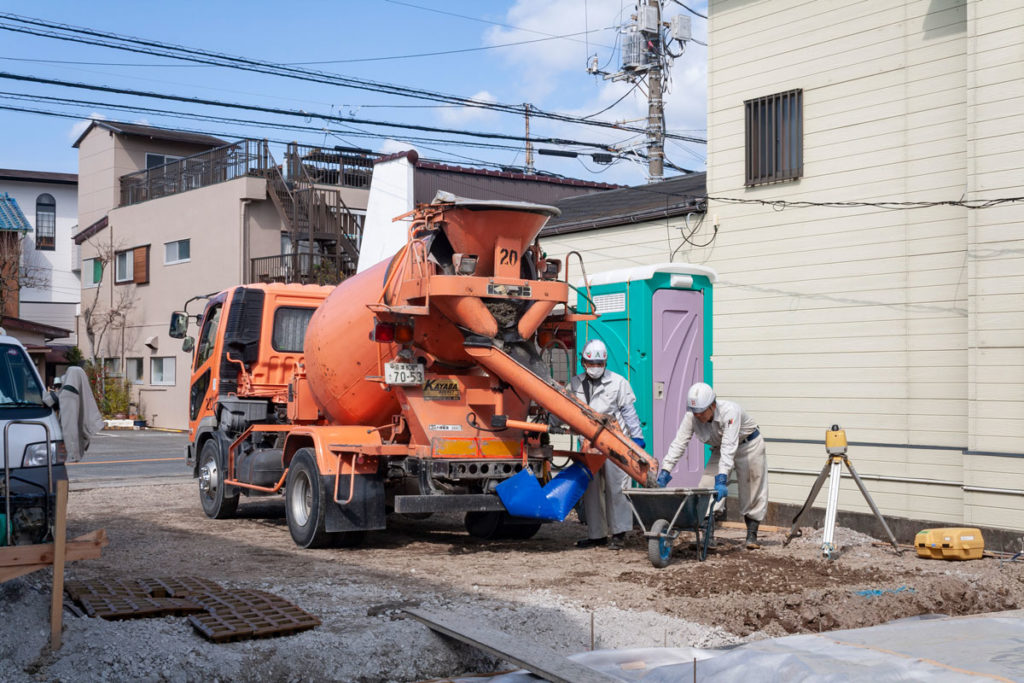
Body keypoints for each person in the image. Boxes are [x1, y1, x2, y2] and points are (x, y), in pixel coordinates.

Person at [657, 382, 767, 549]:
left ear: (713, 405)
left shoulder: (730, 411)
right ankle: (708, 536)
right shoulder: (691, 417)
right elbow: (679, 443)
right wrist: (666, 470)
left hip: (748, 445)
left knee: (751, 486)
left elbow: (729, 447)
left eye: (701, 412)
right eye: (695, 412)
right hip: (720, 447)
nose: (698, 416)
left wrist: (722, 478)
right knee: (707, 486)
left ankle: (751, 534)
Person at [571, 339, 645, 550]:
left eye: (599, 364)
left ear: (604, 363)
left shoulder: (618, 382)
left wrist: (637, 439)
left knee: (617, 487)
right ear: (583, 362)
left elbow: (629, 414)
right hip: (588, 442)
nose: (595, 368)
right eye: (591, 363)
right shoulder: (576, 383)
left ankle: (619, 533)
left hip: (615, 442)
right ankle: (597, 535)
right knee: (591, 489)